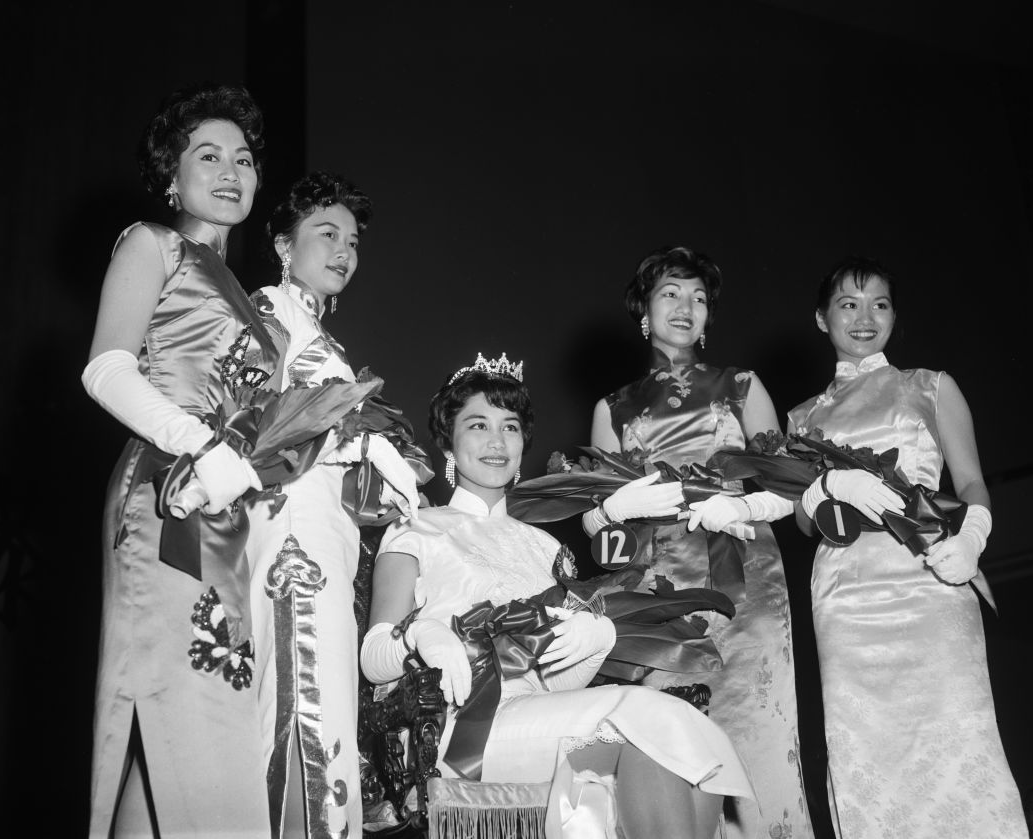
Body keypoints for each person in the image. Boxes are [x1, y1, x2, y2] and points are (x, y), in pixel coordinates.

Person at [362, 355, 755, 839]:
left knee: (693, 736)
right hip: (462, 726)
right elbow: (373, 658)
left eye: (510, 427)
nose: (496, 441)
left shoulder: (547, 547)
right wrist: (420, 635)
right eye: (477, 425)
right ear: (448, 438)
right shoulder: (414, 526)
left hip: (538, 717)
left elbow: (557, 685)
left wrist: (596, 642)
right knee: (651, 725)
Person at [82, 84, 276, 837]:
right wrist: (199, 443)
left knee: (183, 724)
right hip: (167, 495)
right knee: (192, 707)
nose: (231, 170)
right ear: (172, 175)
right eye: (209, 155)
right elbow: (105, 368)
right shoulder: (152, 244)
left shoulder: (256, 304)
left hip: (226, 507)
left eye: (245, 158)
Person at [787, 256, 1027, 838]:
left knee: (959, 734)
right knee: (865, 748)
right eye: (848, 304)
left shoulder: (931, 386)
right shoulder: (801, 419)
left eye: (880, 304)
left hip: (932, 577)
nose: (865, 317)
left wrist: (972, 538)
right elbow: (800, 523)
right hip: (847, 594)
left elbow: (971, 483)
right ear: (822, 319)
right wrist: (823, 490)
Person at [586, 246, 813, 838]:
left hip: (746, 577)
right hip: (660, 591)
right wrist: (611, 508)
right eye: (671, 294)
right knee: (677, 736)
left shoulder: (741, 385)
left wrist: (740, 504)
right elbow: (599, 526)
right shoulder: (612, 408)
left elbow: (792, 485)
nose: (686, 307)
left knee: (759, 726)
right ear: (644, 311)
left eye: (699, 298)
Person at [245, 172, 426, 839]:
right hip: (290, 531)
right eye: (326, 233)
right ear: (283, 244)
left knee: (326, 702)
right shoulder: (267, 309)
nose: (344, 249)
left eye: (352, 240)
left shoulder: (324, 339)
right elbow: (259, 419)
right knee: (302, 699)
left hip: (328, 534)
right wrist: (362, 440)